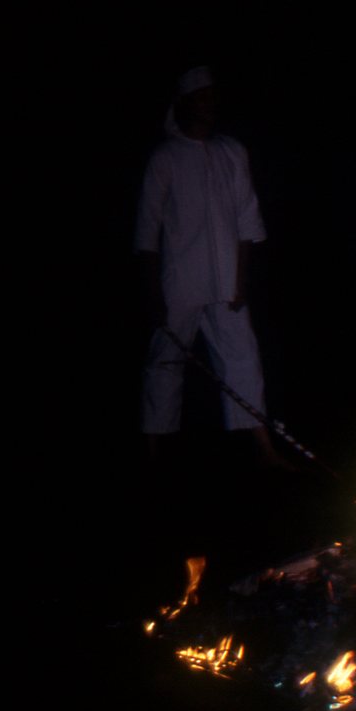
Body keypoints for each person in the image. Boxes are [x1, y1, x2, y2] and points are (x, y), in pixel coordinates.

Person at [136, 66, 278, 462]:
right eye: (202, 97)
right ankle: (154, 450)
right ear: (184, 103)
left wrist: (240, 280)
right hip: (180, 283)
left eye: (213, 97)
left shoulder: (231, 152)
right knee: (165, 363)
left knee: (244, 359)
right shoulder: (165, 158)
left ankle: (264, 448)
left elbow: (247, 221)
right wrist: (153, 291)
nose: (210, 104)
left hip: (227, 283)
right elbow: (147, 231)